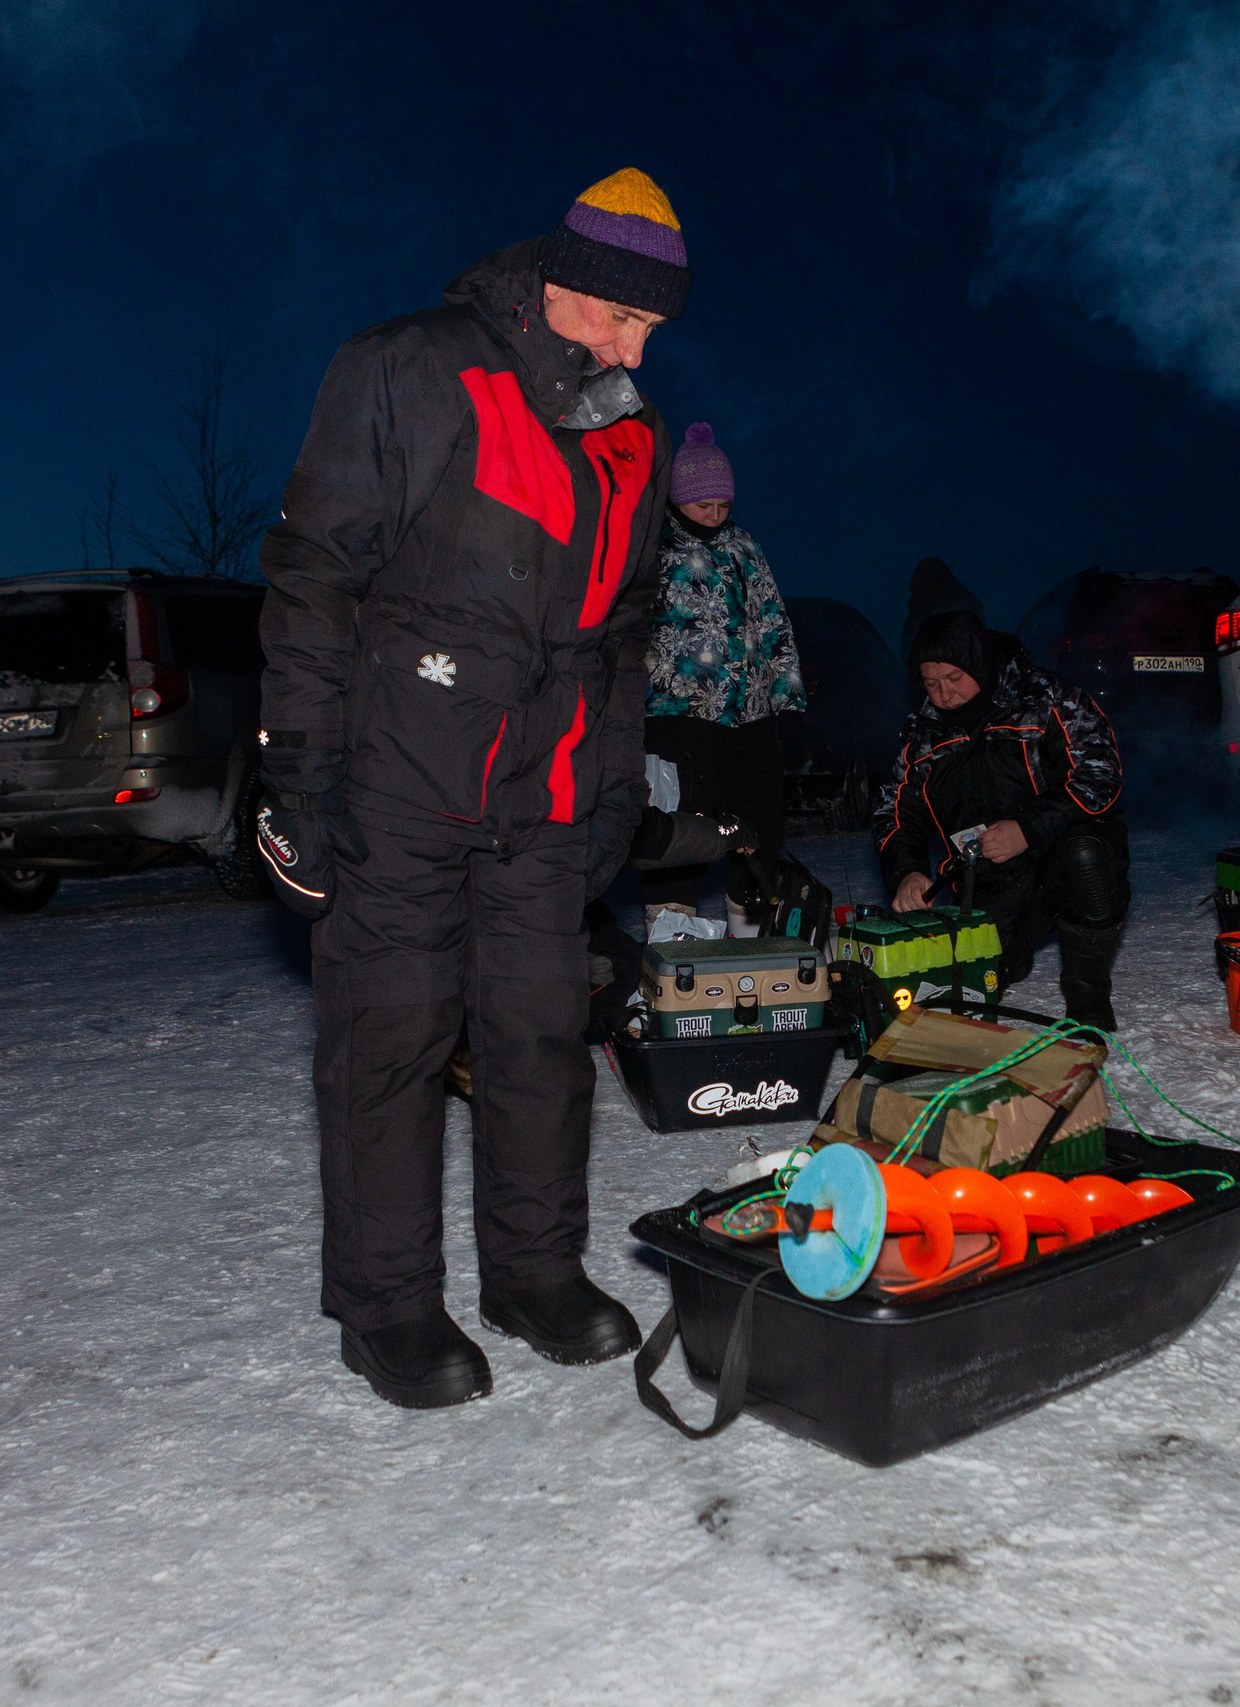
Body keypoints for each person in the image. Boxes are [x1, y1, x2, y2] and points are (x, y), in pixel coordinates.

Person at [253, 168, 687, 1409]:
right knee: (390, 1046)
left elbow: (623, 630)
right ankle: (387, 1308)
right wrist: (298, 768)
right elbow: (315, 573)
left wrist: (611, 782)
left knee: (543, 1040)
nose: (635, 346)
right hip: (399, 783)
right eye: (622, 319)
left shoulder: (632, 436)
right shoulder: (412, 367)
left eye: (649, 329)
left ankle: (535, 1275)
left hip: (544, 804)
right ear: (564, 281)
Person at [874, 609, 1130, 1030]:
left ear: (979, 664)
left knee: (1087, 860)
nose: (944, 695)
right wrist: (907, 872)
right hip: (987, 877)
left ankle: (1088, 996)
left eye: (954, 679)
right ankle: (1017, 945)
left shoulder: (1045, 698)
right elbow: (895, 807)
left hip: (1057, 853)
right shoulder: (922, 730)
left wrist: (1028, 829)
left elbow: (1099, 774)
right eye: (931, 683)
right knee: (985, 976)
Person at [641, 422, 805, 934]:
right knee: (679, 829)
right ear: (677, 500)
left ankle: (748, 935)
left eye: (722, 507)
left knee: (759, 826)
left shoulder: (744, 547)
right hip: (676, 713)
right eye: (702, 507)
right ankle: (672, 943)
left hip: (748, 712)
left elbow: (773, 620)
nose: (714, 517)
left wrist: (786, 695)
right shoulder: (652, 548)